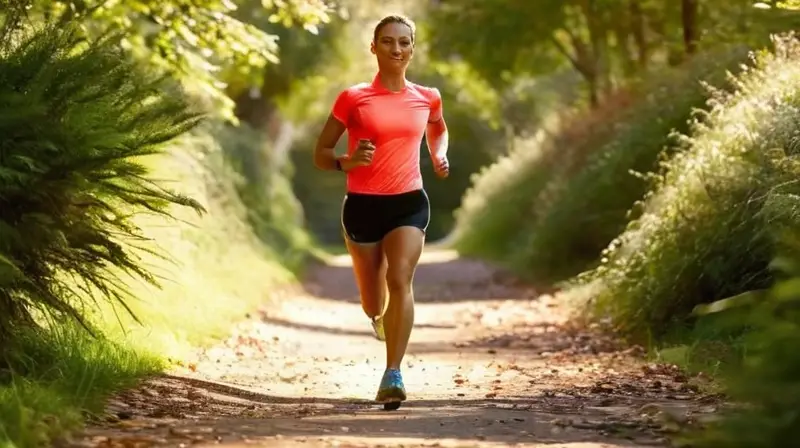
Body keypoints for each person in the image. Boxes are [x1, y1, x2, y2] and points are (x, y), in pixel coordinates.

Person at [312, 14, 450, 409]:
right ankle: (376, 315)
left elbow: (438, 128)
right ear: (374, 48)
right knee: (374, 299)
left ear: (413, 47)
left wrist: (438, 153)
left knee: (402, 277)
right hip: (362, 206)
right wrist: (347, 162)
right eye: (387, 42)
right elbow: (320, 153)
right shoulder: (353, 98)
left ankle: (393, 374)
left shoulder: (428, 96)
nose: (397, 49)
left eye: (404, 42)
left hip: (409, 201)